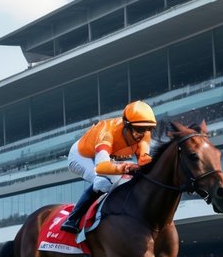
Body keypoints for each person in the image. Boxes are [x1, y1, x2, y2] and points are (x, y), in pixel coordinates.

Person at [60, 100, 157, 234]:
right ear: (126, 125)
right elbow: (101, 167)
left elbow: (144, 160)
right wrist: (125, 167)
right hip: (81, 157)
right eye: (140, 129)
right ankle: (72, 219)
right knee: (103, 183)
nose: (144, 133)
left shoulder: (144, 133)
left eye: (149, 128)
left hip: (108, 156)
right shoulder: (107, 132)